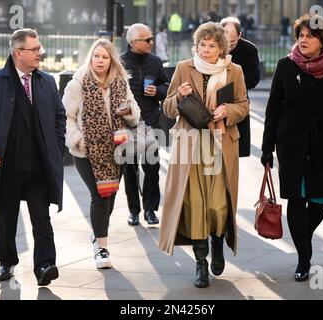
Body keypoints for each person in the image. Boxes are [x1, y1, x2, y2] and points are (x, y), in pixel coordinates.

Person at [260, 14, 323, 282]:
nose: (303, 41)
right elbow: (273, 109)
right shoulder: (285, 66)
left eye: (309, 36)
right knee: (296, 198)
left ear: (322, 40)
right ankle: (304, 257)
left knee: (319, 201)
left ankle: (304, 238)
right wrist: (267, 147)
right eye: (300, 36)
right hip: (291, 144)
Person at [0, 29, 66, 285]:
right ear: (17, 53)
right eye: (34, 49)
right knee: (5, 219)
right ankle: (7, 262)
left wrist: (56, 146)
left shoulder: (47, 81)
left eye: (39, 48)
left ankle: (45, 266)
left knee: (41, 220)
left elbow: (60, 115)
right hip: (5, 167)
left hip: (38, 167)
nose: (40, 53)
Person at [158, 22, 249, 288]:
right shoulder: (184, 68)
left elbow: (243, 105)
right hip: (191, 144)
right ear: (195, 45)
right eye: (202, 45)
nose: (206, 50)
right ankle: (201, 262)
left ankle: (218, 242)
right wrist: (178, 97)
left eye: (212, 45)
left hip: (222, 143)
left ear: (222, 48)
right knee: (196, 204)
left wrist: (227, 111)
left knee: (219, 204)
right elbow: (167, 108)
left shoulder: (235, 70)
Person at [63, 39, 141, 269]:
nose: (100, 60)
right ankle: (102, 249)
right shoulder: (77, 84)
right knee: (99, 195)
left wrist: (127, 111)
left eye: (105, 57)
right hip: (86, 152)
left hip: (115, 150)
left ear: (111, 60)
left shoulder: (120, 83)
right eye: (96, 56)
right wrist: (78, 140)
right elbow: (65, 117)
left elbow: (135, 114)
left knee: (110, 194)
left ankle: (98, 233)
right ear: (91, 57)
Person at [121, 23, 169, 227]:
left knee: (151, 168)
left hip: (151, 122)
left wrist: (157, 91)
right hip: (127, 124)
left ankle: (150, 210)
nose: (151, 42)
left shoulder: (156, 62)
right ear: (133, 42)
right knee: (129, 169)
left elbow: (168, 86)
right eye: (147, 40)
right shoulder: (119, 62)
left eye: (151, 39)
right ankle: (134, 210)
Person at [221, 16, 260, 158]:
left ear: (240, 35)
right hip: (213, 106)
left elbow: (254, 78)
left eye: (233, 41)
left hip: (238, 103)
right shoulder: (212, 47)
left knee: (235, 152)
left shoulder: (249, 50)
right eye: (226, 41)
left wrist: (233, 85)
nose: (229, 45)